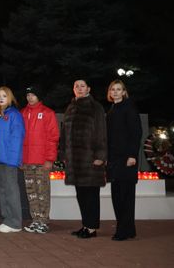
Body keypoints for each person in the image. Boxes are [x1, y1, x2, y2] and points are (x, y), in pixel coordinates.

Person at [60, 79, 107, 239]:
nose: (79, 88)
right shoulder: (71, 107)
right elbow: (64, 134)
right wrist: (64, 154)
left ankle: (92, 228)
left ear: (88, 89)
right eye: (76, 86)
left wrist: (100, 155)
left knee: (91, 195)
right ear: (73, 89)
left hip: (90, 159)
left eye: (82, 86)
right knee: (81, 194)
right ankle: (86, 225)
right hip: (74, 160)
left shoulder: (96, 107)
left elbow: (101, 132)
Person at [106, 79, 142, 241]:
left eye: (118, 89)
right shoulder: (112, 110)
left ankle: (123, 230)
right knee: (117, 196)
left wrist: (132, 155)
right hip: (114, 159)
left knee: (125, 197)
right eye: (113, 89)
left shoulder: (129, 108)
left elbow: (136, 133)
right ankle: (129, 229)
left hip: (127, 159)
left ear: (124, 92)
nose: (115, 92)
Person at [20, 86, 59, 234]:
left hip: (42, 161)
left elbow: (53, 138)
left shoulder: (48, 113)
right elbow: (19, 138)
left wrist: (50, 159)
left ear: (39, 96)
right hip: (27, 160)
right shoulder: (23, 113)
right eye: (28, 95)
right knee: (31, 192)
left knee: (42, 191)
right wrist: (20, 158)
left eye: (33, 95)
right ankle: (35, 220)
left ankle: (43, 221)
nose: (30, 97)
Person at [0, 86, 26, 233]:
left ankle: (15, 223)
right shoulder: (0, 115)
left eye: (4, 96)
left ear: (10, 98)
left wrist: (13, 159)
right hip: (0, 159)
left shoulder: (14, 115)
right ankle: (8, 220)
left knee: (11, 190)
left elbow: (17, 138)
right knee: (3, 190)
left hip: (9, 160)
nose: (1, 98)